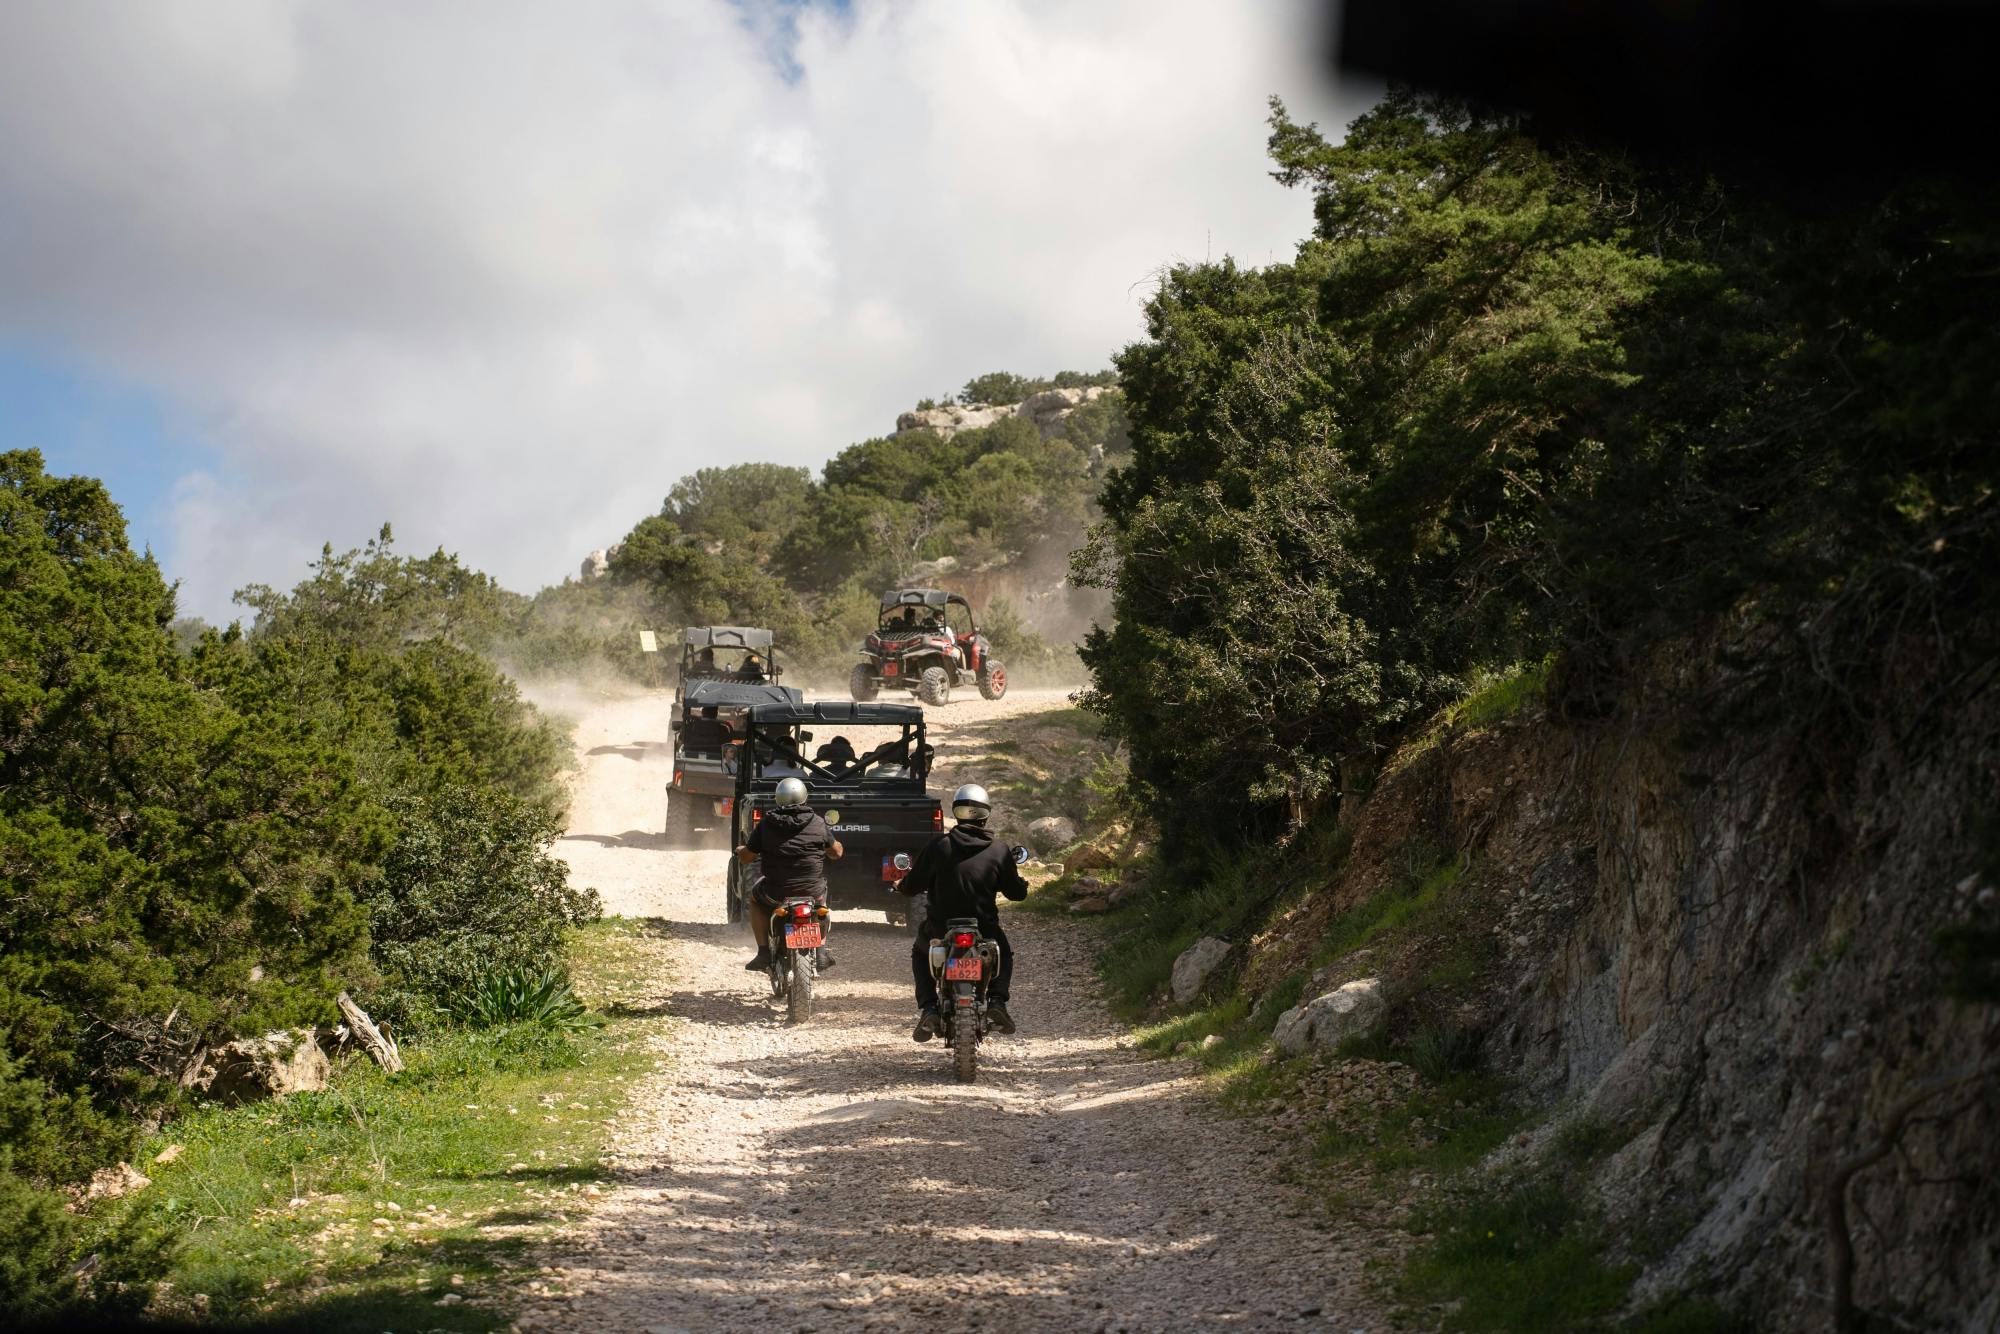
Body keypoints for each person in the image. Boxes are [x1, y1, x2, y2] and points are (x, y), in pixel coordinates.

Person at [895, 782, 1026, 1039]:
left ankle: (929, 1007)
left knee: (920, 954)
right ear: (986, 813)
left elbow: (912, 886)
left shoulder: (939, 846)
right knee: (1005, 953)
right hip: (984, 928)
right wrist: (1021, 882)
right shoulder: (998, 850)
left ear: (956, 811)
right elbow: (1017, 893)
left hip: (941, 927)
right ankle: (998, 1001)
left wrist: (901, 885)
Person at [736, 777, 842, 972]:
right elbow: (836, 853)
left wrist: (741, 850)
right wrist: (833, 846)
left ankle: (763, 953)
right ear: (804, 797)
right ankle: (820, 951)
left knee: (755, 899)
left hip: (776, 891)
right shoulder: (818, 823)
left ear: (778, 798)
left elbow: (748, 857)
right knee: (822, 902)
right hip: (811, 890)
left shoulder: (766, 824)